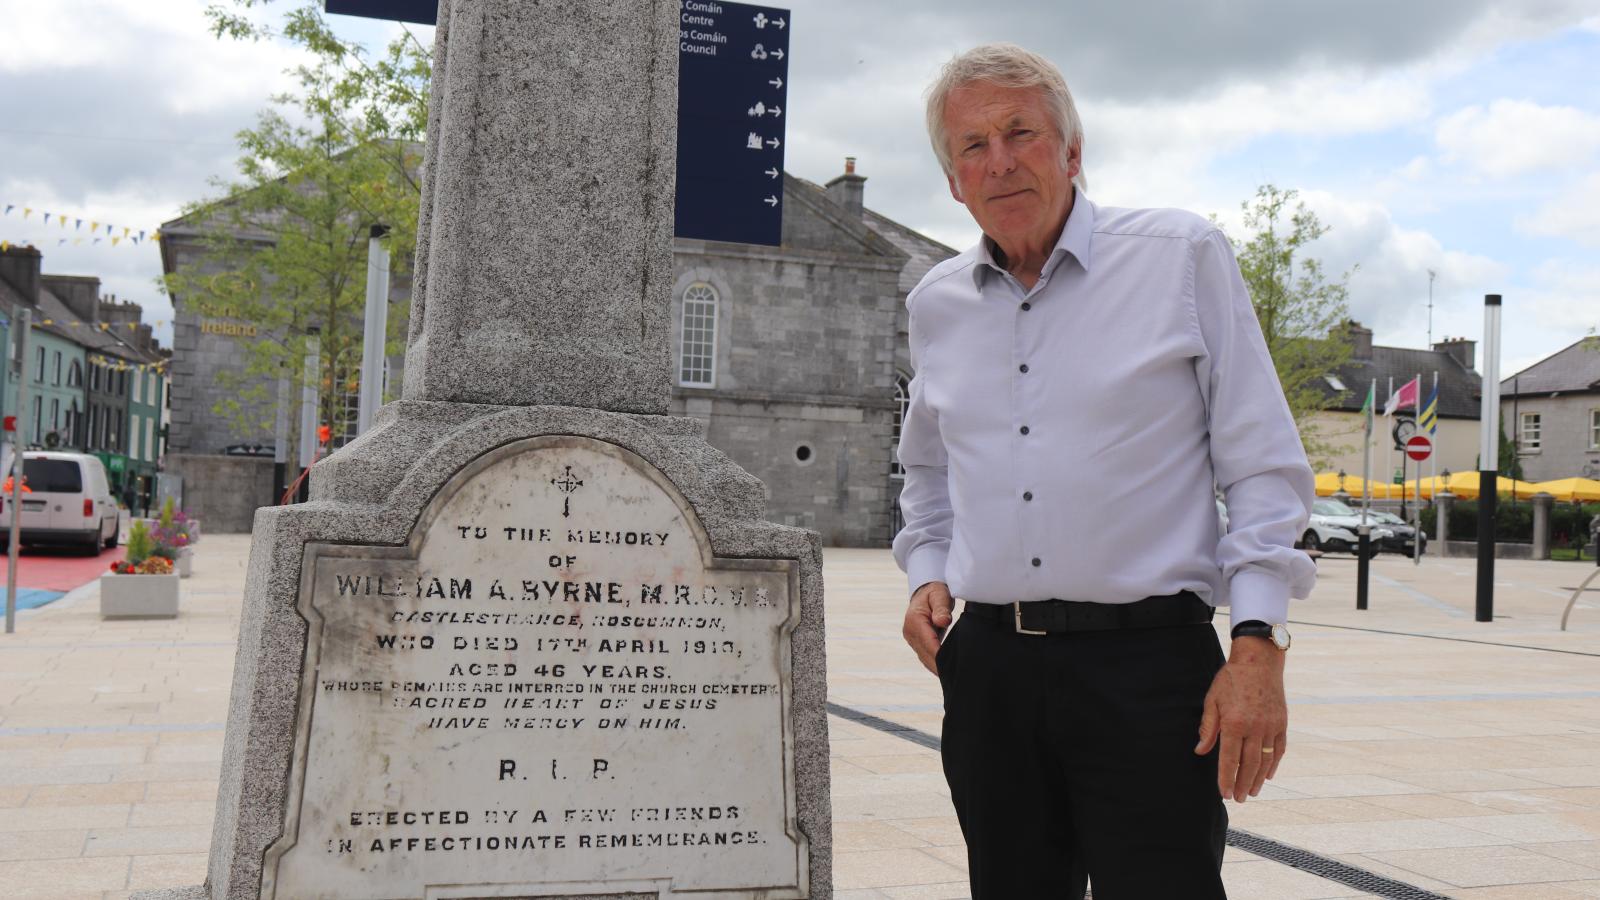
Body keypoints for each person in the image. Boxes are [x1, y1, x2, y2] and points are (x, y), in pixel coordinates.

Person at [894, 43, 1315, 899]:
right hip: (990, 673)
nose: (1000, 161)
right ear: (952, 182)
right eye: (972, 145)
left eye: (1021, 132)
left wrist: (1259, 644)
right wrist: (925, 572)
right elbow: (925, 469)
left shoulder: (1180, 257)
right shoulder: (934, 302)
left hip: (1149, 668)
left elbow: (1263, 462)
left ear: (1073, 151)